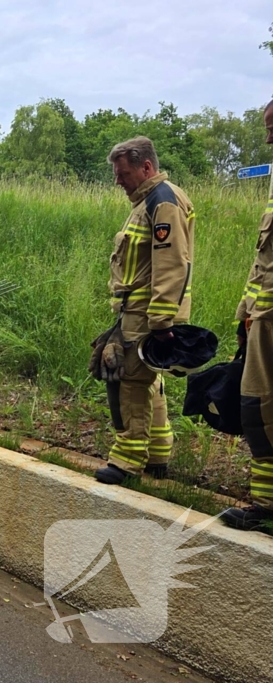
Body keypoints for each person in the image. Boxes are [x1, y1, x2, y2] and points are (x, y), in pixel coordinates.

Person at [94, 137, 195, 485]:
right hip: (137, 311)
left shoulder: (163, 201)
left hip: (147, 313)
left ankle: (127, 459)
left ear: (146, 168)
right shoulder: (147, 201)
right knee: (149, 381)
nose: (117, 181)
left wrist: (162, 322)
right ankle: (157, 454)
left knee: (129, 382)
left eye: (122, 173)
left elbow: (171, 264)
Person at [223, 100, 273, 531]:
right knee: (257, 406)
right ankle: (264, 504)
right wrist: (247, 309)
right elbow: (264, 260)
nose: (269, 138)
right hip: (263, 318)